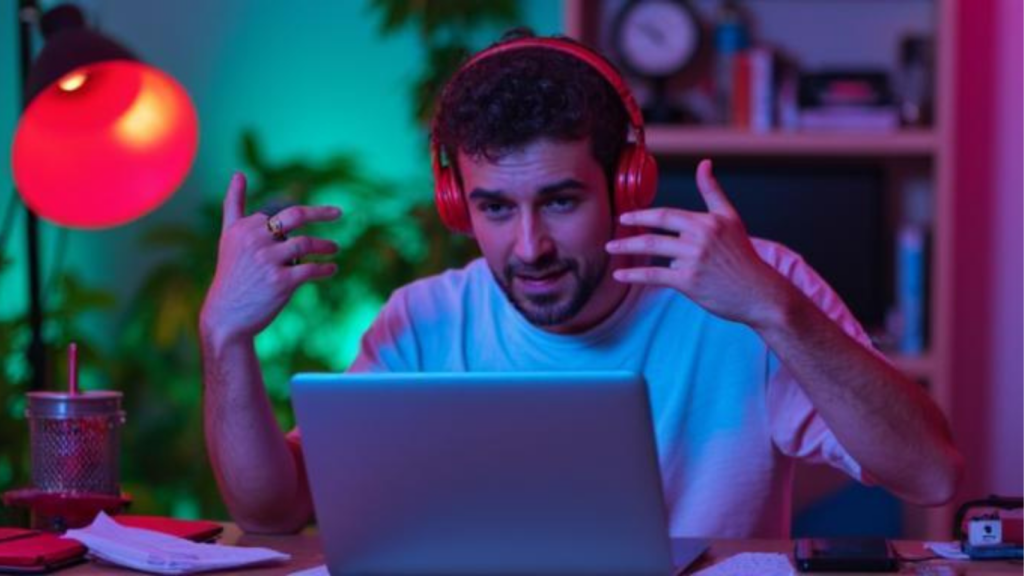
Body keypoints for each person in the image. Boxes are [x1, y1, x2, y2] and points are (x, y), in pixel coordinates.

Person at [199, 31, 962, 537]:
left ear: (628, 186)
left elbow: (929, 474)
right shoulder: (425, 320)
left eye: (561, 201)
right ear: (457, 202)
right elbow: (274, 512)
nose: (528, 248)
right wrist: (225, 339)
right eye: (495, 208)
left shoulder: (760, 290)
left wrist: (774, 311)